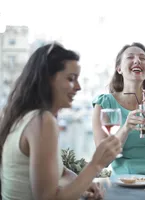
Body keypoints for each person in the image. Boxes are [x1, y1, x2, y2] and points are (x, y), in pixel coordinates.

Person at [0, 43, 122, 200]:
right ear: (48, 80)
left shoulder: (23, 117)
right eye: (71, 79)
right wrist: (96, 165)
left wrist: (83, 184)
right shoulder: (42, 121)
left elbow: (60, 172)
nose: (78, 87)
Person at [92, 42, 145, 176]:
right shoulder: (104, 103)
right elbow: (103, 159)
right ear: (119, 69)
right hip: (124, 180)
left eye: (142, 58)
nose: (137, 60)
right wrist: (126, 127)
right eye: (130, 57)